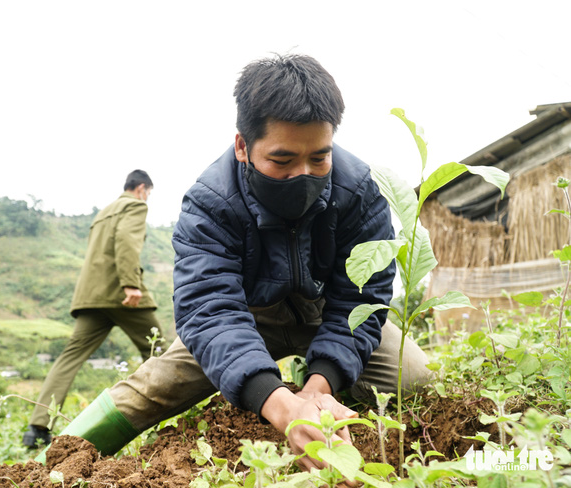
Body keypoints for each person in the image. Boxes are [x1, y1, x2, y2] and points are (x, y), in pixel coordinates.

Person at [33, 54, 431, 471]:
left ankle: (313, 372)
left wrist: (319, 386)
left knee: (416, 378)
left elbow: (360, 297)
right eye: (282, 160)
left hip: (325, 313)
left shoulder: (359, 190)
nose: (304, 174)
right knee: (150, 390)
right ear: (243, 146)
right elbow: (209, 311)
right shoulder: (209, 202)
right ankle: (45, 464)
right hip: (243, 317)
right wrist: (279, 404)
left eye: (319, 158)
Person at [22, 169, 163, 448]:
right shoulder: (135, 206)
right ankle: (174, 412)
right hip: (121, 294)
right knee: (160, 350)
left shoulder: (103, 213)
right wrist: (130, 284)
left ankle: (37, 428)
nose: (147, 199)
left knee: (69, 358)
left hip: (91, 296)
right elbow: (126, 242)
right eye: (149, 194)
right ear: (142, 188)